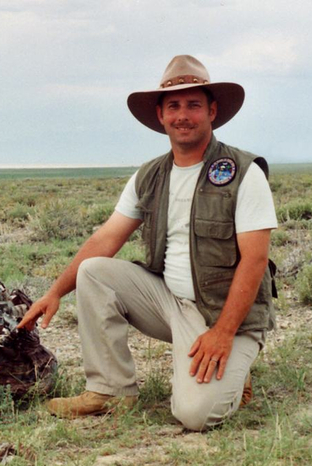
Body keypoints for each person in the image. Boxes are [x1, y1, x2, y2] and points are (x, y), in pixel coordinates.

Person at [17, 55, 277, 431]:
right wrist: (55, 292)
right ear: (160, 115)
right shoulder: (150, 175)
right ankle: (109, 390)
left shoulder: (243, 172)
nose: (183, 115)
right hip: (169, 304)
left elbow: (254, 260)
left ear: (212, 111)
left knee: (195, 415)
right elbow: (106, 238)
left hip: (225, 316)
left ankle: (237, 365)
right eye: (174, 106)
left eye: (193, 105)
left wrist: (222, 334)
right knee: (94, 272)